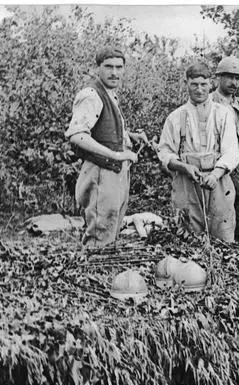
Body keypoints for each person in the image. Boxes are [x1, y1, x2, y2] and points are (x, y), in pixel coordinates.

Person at [66, 47, 148, 247]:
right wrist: (116, 154)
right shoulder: (91, 95)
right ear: (97, 69)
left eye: (119, 67)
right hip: (100, 172)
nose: (114, 72)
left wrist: (129, 136)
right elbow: (77, 135)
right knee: (99, 233)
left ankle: (105, 274)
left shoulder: (110, 94)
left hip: (113, 171)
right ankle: (91, 275)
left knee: (112, 226)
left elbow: (103, 131)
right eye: (108, 66)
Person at [157, 63, 239, 242]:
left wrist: (216, 174)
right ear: (186, 83)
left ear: (210, 84)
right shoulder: (175, 117)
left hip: (218, 181)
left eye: (203, 84)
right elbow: (164, 152)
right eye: (194, 84)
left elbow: (232, 151)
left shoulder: (223, 114)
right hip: (187, 182)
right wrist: (183, 166)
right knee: (188, 235)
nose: (199, 89)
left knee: (223, 236)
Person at [211, 56, 239, 240]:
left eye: (238, 78)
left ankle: (237, 247)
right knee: (217, 208)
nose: (234, 82)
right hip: (216, 163)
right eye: (229, 77)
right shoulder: (209, 101)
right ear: (219, 77)